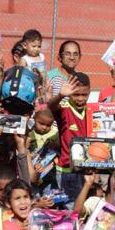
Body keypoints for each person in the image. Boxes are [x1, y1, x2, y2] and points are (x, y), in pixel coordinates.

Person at [49, 71, 90, 205]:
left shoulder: (92, 111)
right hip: (67, 171)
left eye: (84, 95)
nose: (80, 98)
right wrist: (60, 95)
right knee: (68, 208)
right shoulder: (64, 109)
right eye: (76, 94)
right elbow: (51, 107)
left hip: (87, 169)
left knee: (82, 207)